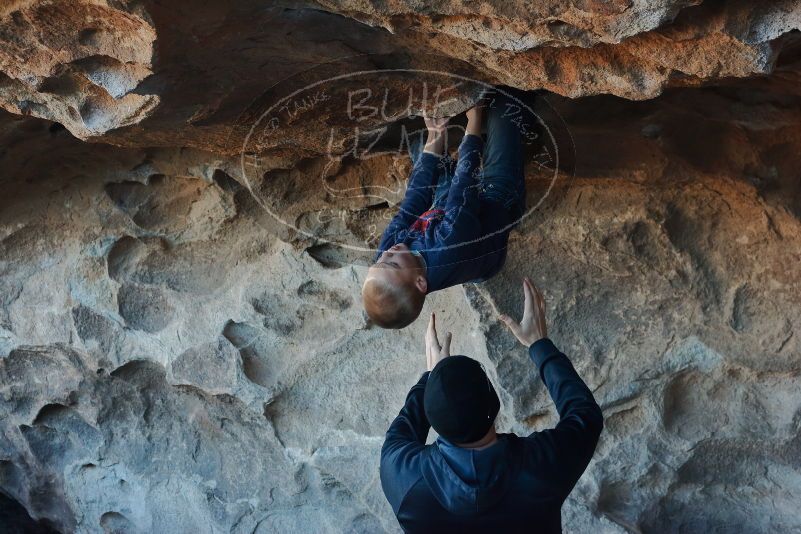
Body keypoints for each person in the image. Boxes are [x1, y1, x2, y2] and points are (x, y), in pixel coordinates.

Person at [379, 278, 604, 533]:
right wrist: (540, 345)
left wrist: (431, 379)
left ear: (431, 418)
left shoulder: (403, 480)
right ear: (495, 403)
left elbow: (405, 426)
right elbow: (585, 415)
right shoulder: (541, 468)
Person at [362, 90, 527, 329]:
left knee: (420, 141)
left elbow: (414, 200)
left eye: (379, 260)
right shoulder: (447, 248)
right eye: (393, 263)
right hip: (495, 205)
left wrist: (435, 134)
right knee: (504, 108)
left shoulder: (388, 254)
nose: (388, 252)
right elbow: (464, 187)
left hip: (446, 212)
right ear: (420, 283)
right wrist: (474, 119)